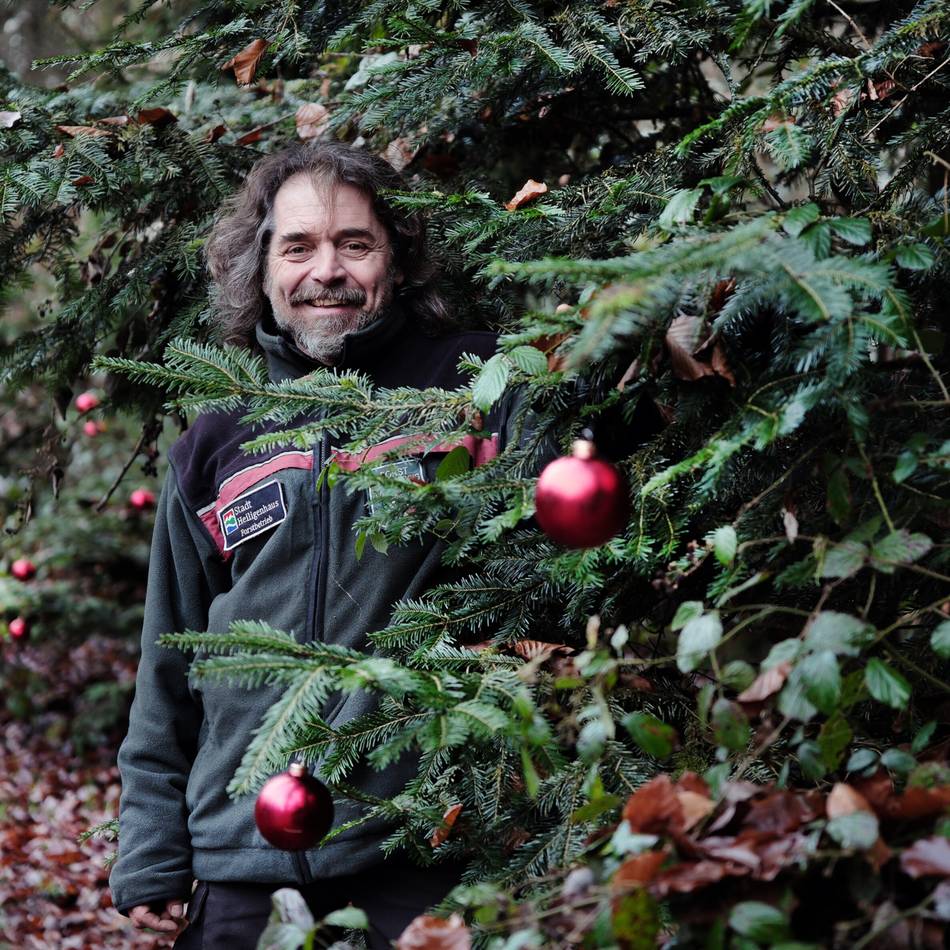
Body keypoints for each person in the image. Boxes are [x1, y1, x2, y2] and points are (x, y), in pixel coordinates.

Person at [109, 141, 508, 948]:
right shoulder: (213, 442)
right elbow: (168, 663)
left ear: (397, 260)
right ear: (260, 270)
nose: (327, 270)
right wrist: (150, 848)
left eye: (354, 244)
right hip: (243, 850)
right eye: (297, 247)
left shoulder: (478, 386)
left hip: (423, 841)